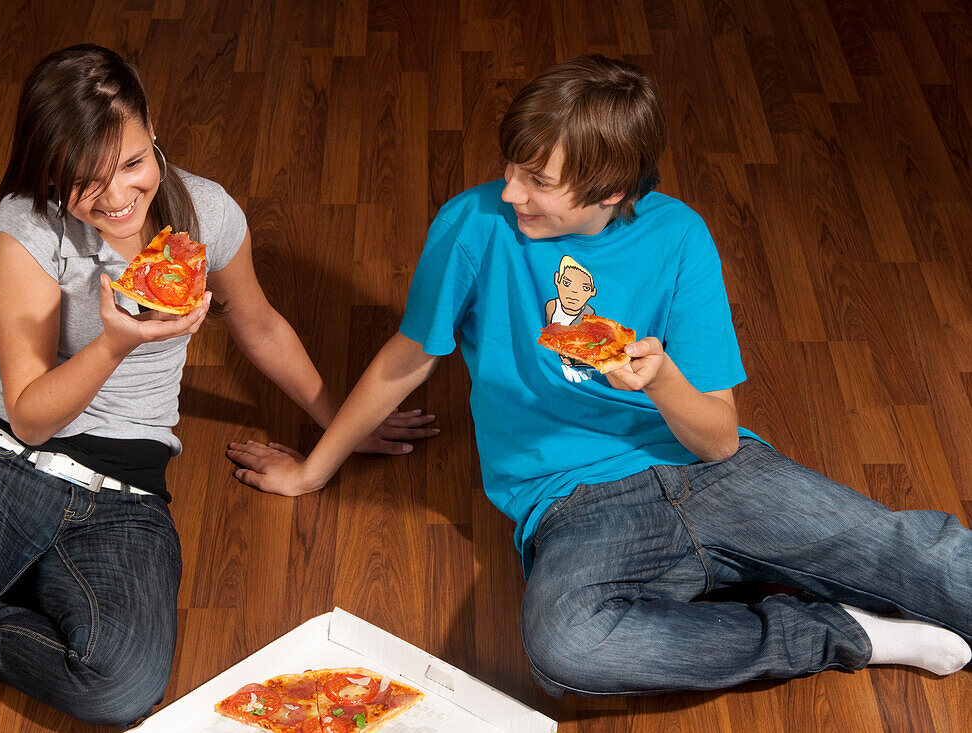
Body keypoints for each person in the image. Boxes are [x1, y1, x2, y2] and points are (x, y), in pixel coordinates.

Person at [227, 55, 971, 695]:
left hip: (716, 478)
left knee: (920, 556)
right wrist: (315, 470)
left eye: (538, 180)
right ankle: (839, 633)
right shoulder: (474, 224)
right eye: (513, 165)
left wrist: (660, 380)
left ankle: (763, 577)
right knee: (566, 648)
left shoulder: (679, 236)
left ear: (611, 190)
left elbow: (716, 441)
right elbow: (407, 357)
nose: (512, 191)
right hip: (573, 505)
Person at [0, 44, 436, 726]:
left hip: (126, 494)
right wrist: (116, 341)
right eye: (83, 182)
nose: (117, 198)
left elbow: (257, 325)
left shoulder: (207, 212)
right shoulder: (26, 225)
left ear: (152, 130)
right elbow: (28, 418)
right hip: (4, 463)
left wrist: (342, 421)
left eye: (133, 163)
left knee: (121, 688)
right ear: (51, 170)